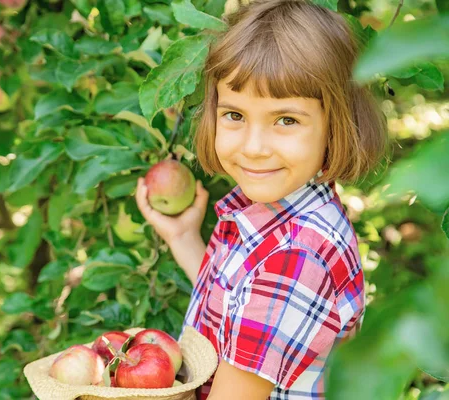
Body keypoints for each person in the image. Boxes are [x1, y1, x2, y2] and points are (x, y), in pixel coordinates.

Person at [135, 0, 388, 398]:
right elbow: (240, 304)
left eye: (285, 120)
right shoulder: (278, 213)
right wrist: (183, 238)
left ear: (336, 125)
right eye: (235, 115)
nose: (253, 147)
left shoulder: (296, 256)